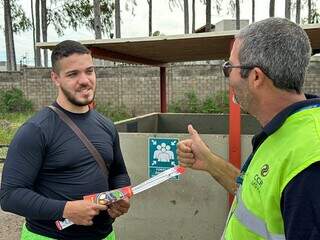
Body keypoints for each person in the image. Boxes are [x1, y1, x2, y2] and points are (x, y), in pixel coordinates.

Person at [177, 17, 320, 239]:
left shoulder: (311, 163)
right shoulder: (286, 130)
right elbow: (258, 194)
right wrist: (209, 161)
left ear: (255, 77)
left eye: (229, 67)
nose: (228, 77)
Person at [0, 40, 131, 240]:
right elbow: (10, 196)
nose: (85, 80)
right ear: (56, 78)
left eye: (89, 71)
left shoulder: (106, 125)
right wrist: (66, 209)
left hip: (105, 235)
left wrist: (120, 195)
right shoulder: (36, 130)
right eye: (73, 74)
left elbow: (118, 172)